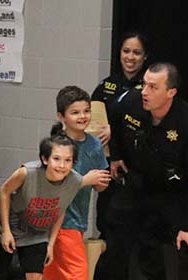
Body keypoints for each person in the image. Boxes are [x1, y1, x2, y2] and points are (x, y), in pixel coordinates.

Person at [109, 62, 188, 279]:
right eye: (144, 84)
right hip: (140, 185)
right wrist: (116, 154)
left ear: (171, 92)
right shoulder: (131, 101)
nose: (144, 92)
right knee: (121, 238)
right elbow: (113, 116)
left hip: (174, 193)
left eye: (153, 87)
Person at [0, 135, 111, 280]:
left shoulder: (74, 180)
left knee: (35, 275)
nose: (62, 165)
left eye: (68, 160)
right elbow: (4, 191)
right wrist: (6, 231)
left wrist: (50, 244)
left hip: (36, 232)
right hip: (7, 225)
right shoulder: (27, 173)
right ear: (45, 159)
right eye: (57, 159)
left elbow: (61, 211)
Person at [91, 31, 149, 280]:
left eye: (136, 52)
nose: (130, 57)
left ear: (145, 56)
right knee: (106, 223)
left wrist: (117, 129)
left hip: (137, 169)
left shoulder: (149, 88)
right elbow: (91, 122)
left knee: (137, 232)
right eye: (126, 51)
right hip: (107, 167)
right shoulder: (107, 85)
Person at [41, 86, 109, 279]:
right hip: (58, 219)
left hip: (78, 220)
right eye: (75, 112)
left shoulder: (94, 144)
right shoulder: (56, 145)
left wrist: (100, 180)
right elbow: (52, 184)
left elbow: (101, 185)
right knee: (78, 274)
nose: (82, 116)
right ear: (61, 116)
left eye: (86, 111)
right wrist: (85, 180)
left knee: (52, 275)